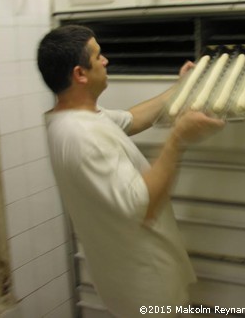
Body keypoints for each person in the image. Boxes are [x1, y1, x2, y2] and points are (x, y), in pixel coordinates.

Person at [37, 25, 224, 317]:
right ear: (80, 74)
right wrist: (178, 139)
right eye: (98, 56)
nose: (105, 61)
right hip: (143, 283)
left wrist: (182, 88)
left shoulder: (74, 117)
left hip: (129, 273)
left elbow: (133, 119)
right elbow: (144, 205)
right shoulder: (82, 137)